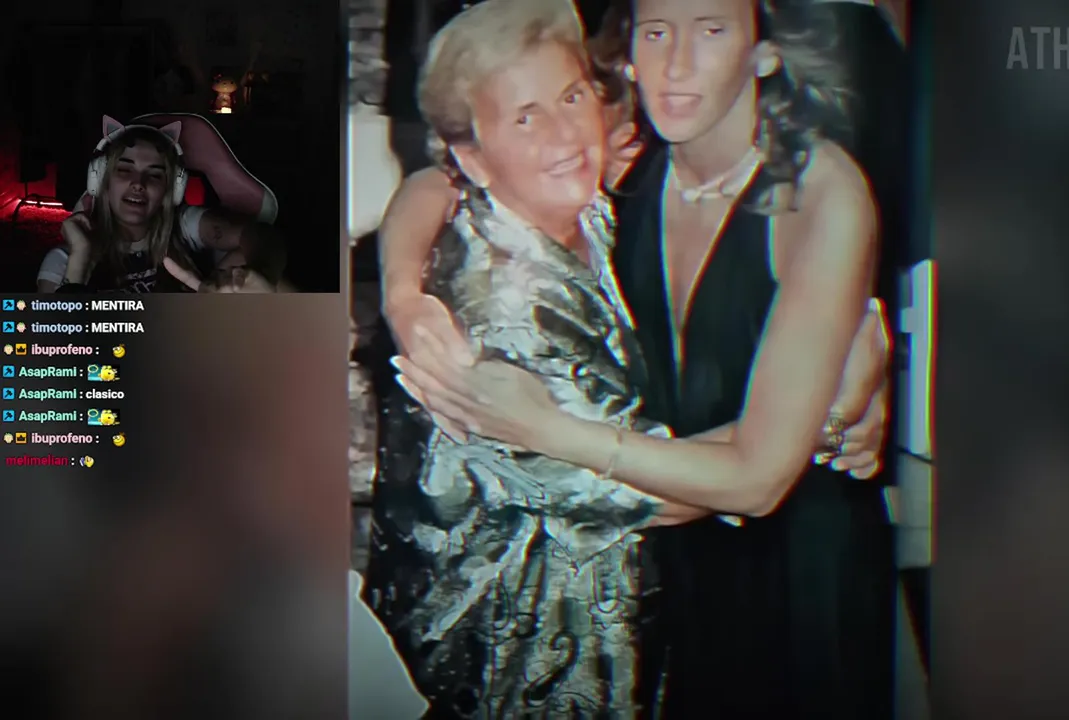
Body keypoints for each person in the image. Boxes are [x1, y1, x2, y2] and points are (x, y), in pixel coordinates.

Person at [377, 0, 896, 716]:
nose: (677, 63)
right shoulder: (602, 191)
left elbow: (759, 477)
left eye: (711, 29)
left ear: (764, 50)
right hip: (616, 615)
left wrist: (832, 384)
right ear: (629, 55)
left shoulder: (794, 192)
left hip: (797, 576)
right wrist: (828, 412)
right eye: (656, 32)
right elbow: (444, 173)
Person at [362, 1, 723, 715]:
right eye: (526, 118)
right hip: (535, 667)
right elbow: (670, 493)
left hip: (608, 630)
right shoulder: (501, 315)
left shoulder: (583, 212)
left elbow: (431, 183)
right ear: (473, 158)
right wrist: (802, 427)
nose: (564, 134)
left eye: (571, 97)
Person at [36, 117, 287, 294]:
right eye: (124, 170)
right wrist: (80, 261)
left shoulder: (182, 224)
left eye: (155, 175)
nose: (138, 183)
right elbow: (57, 345)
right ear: (100, 180)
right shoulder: (64, 259)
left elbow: (260, 235)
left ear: (172, 190)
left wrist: (261, 275)